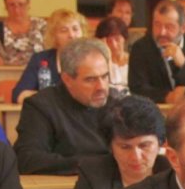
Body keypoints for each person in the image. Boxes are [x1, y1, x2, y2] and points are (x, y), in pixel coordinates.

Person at [14, 38, 114, 175]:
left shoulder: (117, 104)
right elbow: (27, 159)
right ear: (67, 79)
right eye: (90, 80)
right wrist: (90, 165)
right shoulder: (41, 106)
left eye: (105, 76)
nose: (101, 87)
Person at [128, 0, 185, 103]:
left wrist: (183, 64)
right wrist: (168, 96)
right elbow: (137, 89)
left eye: (169, 27)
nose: (162, 32)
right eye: (157, 25)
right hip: (154, 111)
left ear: (183, 28)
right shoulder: (141, 48)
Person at [10, 9, 87, 102]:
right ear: (54, 36)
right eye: (64, 30)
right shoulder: (40, 59)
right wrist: (52, 98)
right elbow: (19, 94)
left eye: (75, 29)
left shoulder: (92, 59)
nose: (71, 35)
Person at [94, 15, 130, 92]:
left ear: (125, 38)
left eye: (117, 39)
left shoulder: (135, 60)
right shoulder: (98, 64)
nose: (113, 45)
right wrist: (106, 55)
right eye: (108, 41)